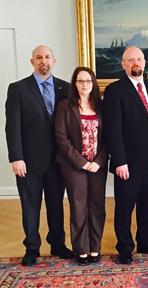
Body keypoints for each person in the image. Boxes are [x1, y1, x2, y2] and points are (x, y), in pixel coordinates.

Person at [5, 45, 74, 266]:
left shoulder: (66, 88)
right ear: (31, 61)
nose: (43, 61)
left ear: (53, 60)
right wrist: (16, 157)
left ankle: (58, 244)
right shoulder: (18, 89)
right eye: (38, 57)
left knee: (56, 205)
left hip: (58, 161)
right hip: (29, 161)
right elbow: (12, 127)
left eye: (47, 57)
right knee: (30, 206)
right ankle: (32, 248)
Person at [103, 46, 148, 264]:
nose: (136, 64)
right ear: (123, 64)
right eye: (130, 60)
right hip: (128, 163)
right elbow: (112, 130)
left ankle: (147, 241)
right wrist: (119, 161)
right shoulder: (115, 91)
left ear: (144, 62)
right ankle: (124, 246)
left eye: (139, 59)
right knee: (125, 206)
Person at [55, 67, 108, 265]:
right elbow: (61, 138)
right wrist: (82, 162)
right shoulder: (65, 107)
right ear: (74, 84)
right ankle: (82, 250)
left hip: (97, 166)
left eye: (87, 80)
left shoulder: (101, 107)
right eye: (80, 81)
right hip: (73, 165)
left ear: (93, 83)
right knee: (79, 207)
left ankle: (95, 248)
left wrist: (98, 162)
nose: (84, 84)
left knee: (97, 207)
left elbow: (109, 138)